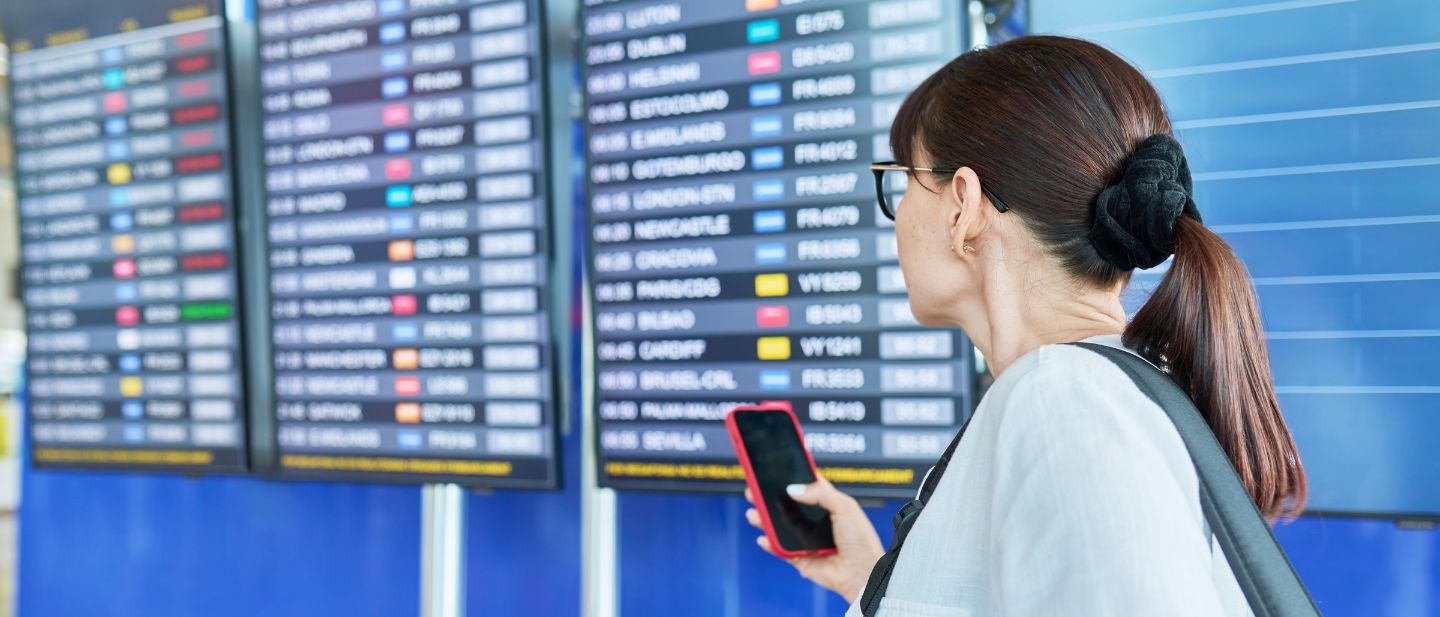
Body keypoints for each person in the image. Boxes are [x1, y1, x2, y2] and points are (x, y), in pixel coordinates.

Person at [744, 35, 1307, 616]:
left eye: (905, 179)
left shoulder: (1063, 401)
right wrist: (872, 580)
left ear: (963, 205)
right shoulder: (1095, 390)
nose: (899, 214)